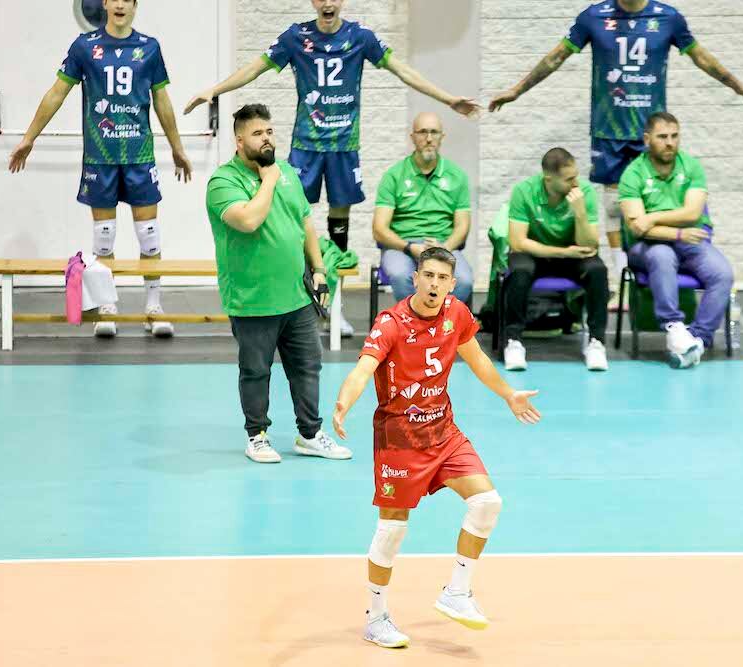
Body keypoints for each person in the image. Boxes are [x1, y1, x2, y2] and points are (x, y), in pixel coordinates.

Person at [185, 0, 480, 334]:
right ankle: (295, 303)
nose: (328, 3)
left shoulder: (360, 36)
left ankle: (333, 308)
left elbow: (403, 70)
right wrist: (216, 89)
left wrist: (447, 99)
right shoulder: (296, 37)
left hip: (343, 147)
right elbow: (255, 67)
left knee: (339, 230)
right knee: (292, 220)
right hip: (306, 146)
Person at [332, 247, 542, 648]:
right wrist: (345, 401)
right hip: (400, 441)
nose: (434, 284)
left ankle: (457, 593)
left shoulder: (456, 314)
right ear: (415, 278)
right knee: (392, 530)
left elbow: (476, 358)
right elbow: (364, 369)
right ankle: (376, 618)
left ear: (452, 283)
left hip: (443, 432)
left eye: (442, 278)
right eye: (427, 275)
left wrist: (507, 394)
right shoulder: (391, 323)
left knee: (487, 503)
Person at [489, 0, 743, 305]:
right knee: (615, 208)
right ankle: (622, 282)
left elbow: (701, 56)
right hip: (610, 131)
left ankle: (659, 266)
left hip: (651, 134)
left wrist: (736, 85)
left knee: (655, 201)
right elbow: (555, 58)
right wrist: (517, 90)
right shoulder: (594, 16)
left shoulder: (667, 17)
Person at [9, 0, 192, 338]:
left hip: (139, 155)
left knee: (149, 235)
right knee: (103, 238)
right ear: (105, 3)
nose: (120, 4)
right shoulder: (85, 46)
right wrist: (28, 138)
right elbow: (56, 93)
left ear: (135, 5)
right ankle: (107, 306)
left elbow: (162, 101)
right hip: (100, 156)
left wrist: (177, 148)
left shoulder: (149, 48)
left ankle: (153, 307)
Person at [206, 104, 352, 464]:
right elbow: (249, 221)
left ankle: (310, 434)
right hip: (253, 299)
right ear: (239, 141)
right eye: (258, 133)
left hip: (296, 296)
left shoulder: (286, 171)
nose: (267, 138)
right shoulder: (224, 182)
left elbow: (305, 222)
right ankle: (256, 436)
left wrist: (318, 269)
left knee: (307, 365)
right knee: (256, 370)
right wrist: (267, 180)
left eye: (269, 131)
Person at [618, 112, 734, 368]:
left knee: (722, 274)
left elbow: (693, 213)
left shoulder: (691, 166)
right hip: (646, 246)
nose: (670, 142)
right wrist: (677, 232)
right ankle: (674, 327)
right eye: (662, 137)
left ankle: (698, 340)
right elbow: (638, 228)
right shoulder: (632, 173)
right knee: (661, 255)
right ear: (647, 139)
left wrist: (653, 217)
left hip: (690, 241)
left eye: (674, 136)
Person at [502, 148, 609, 372]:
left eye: (576, 176)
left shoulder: (584, 192)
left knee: (597, 270)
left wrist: (579, 213)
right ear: (549, 179)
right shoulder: (524, 191)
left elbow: (590, 245)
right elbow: (517, 242)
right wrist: (562, 252)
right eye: (569, 179)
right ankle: (513, 342)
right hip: (537, 254)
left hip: (573, 254)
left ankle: (596, 343)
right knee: (518, 269)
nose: (576, 183)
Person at [373, 112, 474, 305]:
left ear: (442, 137)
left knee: (463, 280)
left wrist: (445, 248)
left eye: (434, 132)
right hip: (402, 246)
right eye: (422, 132)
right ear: (412, 137)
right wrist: (410, 247)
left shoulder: (457, 175)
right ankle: (415, 330)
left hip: (443, 244)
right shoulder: (394, 175)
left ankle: (440, 329)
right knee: (403, 276)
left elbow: (462, 227)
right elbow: (379, 229)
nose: (429, 139)